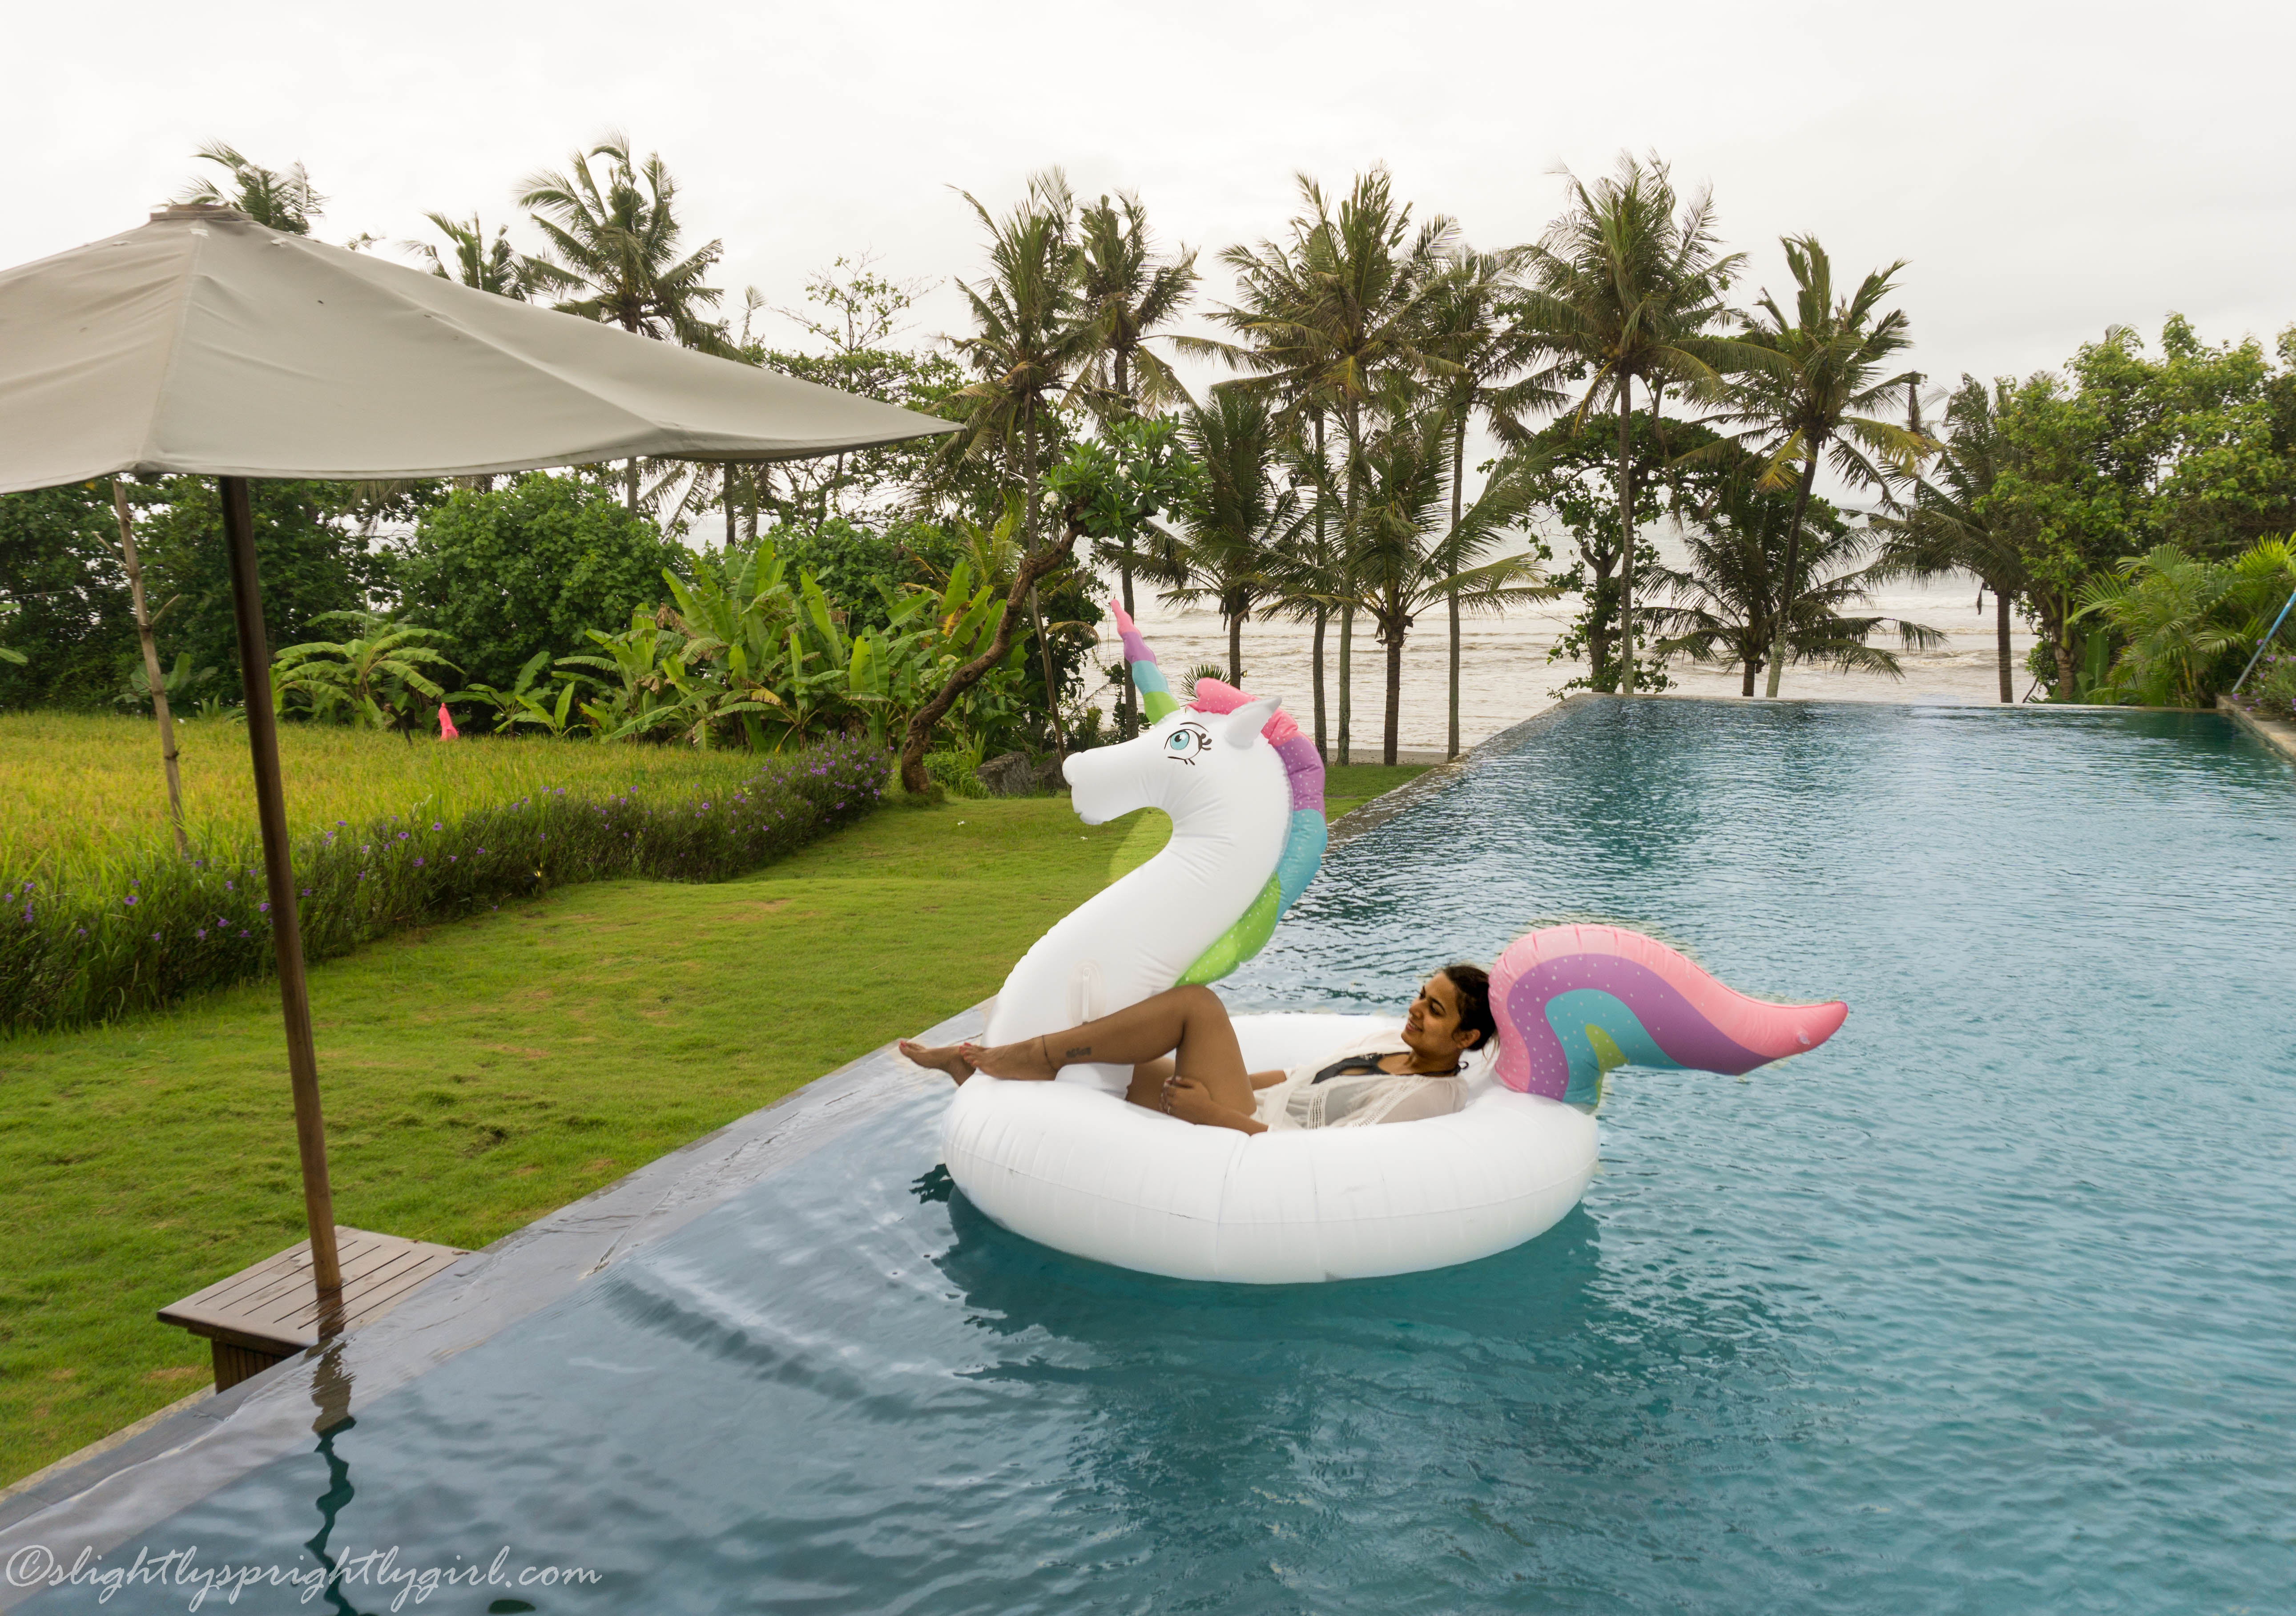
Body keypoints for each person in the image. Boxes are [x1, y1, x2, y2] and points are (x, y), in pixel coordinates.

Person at [898, 965, 1498, 1135]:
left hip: (1254, 1132)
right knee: (1111, 1063)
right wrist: (1225, 1075)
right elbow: (1293, 1076)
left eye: (1435, 1009)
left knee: (1196, 1006)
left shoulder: (1430, 1095)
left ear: (1467, 1038)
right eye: (1422, 995)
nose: (1415, 1009)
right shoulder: (1382, 1042)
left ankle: (1032, 1052)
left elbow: (1334, 1157)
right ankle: (965, 1064)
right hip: (1247, 1103)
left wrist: (1215, 1114)